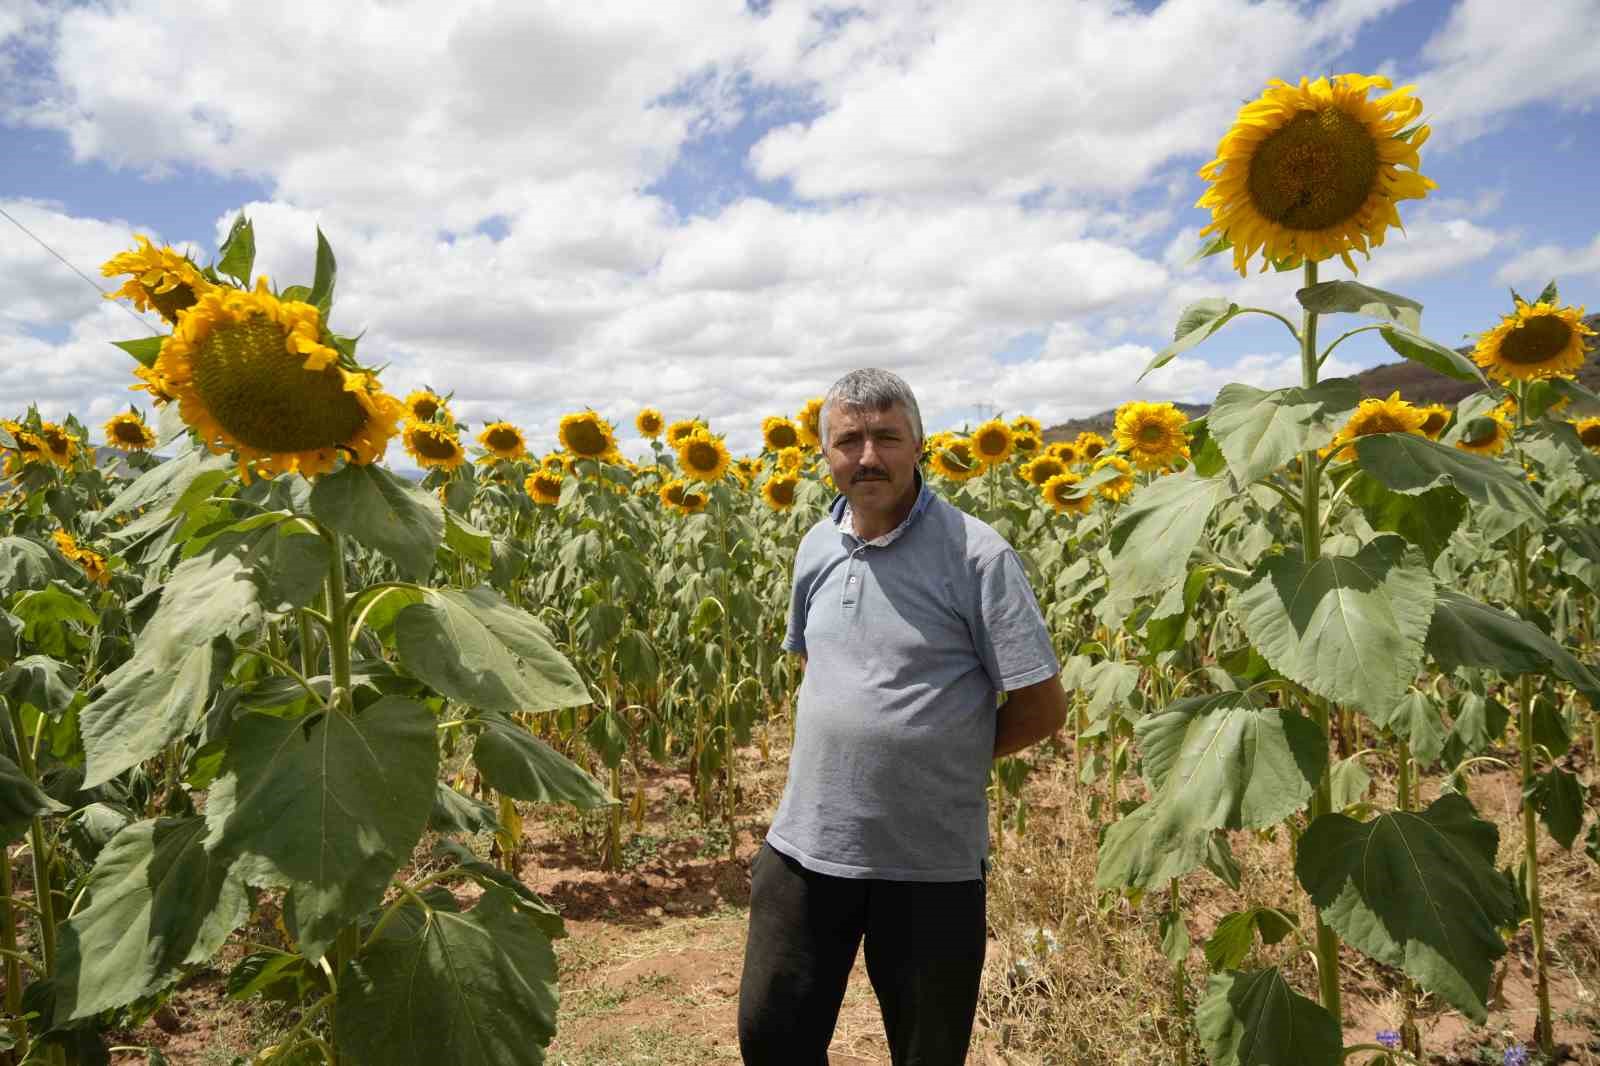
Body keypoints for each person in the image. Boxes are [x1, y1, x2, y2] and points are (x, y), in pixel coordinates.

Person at [737, 368, 1069, 1065]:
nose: (867, 457)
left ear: (918, 444)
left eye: (886, 437)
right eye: (848, 440)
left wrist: (945, 753)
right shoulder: (816, 548)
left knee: (927, 1053)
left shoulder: (977, 556)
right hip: (807, 848)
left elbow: (1041, 706)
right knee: (772, 1040)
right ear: (824, 455)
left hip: (929, 865)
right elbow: (817, 666)